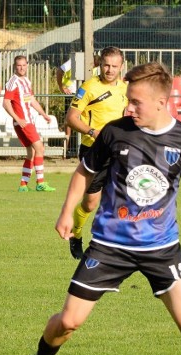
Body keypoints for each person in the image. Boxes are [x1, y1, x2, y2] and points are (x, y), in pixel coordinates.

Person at [12, 61, 181, 355]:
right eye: (129, 99)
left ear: (160, 102)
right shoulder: (115, 132)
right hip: (109, 246)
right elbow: (84, 172)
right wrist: (67, 212)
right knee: (68, 322)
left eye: (136, 101)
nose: (129, 107)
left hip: (162, 248)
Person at [65, 46, 128, 259]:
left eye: (114, 66)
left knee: (120, 199)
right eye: (106, 65)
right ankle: (76, 234)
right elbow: (71, 118)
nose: (109, 70)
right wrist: (93, 131)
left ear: (121, 66)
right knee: (90, 203)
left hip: (119, 151)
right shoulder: (88, 88)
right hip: (93, 150)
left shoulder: (126, 89)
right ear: (100, 64)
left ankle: (110, 245)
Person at [3, 55, 56, 192]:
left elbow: (31, 100)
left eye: (24, 65)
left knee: (31, 152)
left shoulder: (26, 81)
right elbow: (5, 103)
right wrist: (17, 118)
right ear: (15, 66)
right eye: (19, 65)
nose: (21, 68)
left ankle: (23, 185)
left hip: (27, 121)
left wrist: (43, 114)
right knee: (40, 148)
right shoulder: (12, 82)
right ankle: (40, 183)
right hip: (23, 122)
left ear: (27, 65)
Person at [56, 55, 100, 143]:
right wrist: (62, 87)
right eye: (93, 65)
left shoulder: (97, 68)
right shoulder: (75, 60)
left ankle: (81, 142)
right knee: (70, 119)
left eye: (95, 66)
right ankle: (67, 146)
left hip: (86, 95)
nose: (93, 67)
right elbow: (59, 71)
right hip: (72, 93)